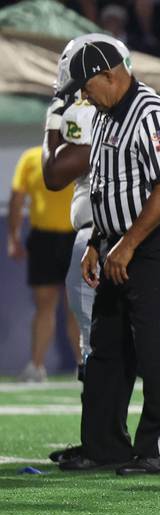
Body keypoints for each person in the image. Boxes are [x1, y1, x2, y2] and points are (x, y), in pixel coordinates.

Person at [42, 33, 160, 468]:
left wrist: (127, 245)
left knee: (152, 344)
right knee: (105, 348)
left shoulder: (149, 112)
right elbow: (106, 187)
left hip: (155, 243)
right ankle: (103, 446)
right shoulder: (108, 112)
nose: (82, 96)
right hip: (117, 243)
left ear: (108, 74)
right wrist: (99, 243)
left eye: (85, 85)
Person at [8, 144, 81, 382]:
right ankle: (37, 366)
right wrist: (13, 237)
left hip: (76, 237)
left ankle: (84, 366)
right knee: (44, 304)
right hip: (43, 239)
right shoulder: (30, 158)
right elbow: (17, 197)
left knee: (77, 306)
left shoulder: (80, 154)